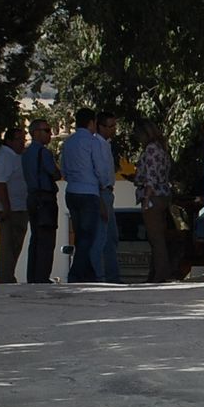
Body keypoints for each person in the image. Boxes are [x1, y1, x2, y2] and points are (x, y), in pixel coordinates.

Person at [60, 107, 111, 283]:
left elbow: (63, 170)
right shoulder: (92, 142)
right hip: (89, 192)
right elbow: (100, 168)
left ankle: (88, 273)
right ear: (92, 122)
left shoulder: (68, 143)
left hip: (72, 191)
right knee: (88, 235)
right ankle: (75, 273)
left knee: (80, 235)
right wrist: (104, 184)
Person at [133, 120, 177, 283]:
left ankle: (161, 274)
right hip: (163, 194)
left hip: (153, 196)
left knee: (156, 239)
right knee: (158, 237)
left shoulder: (151, 150)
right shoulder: (162, 149)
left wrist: (146, 199)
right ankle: (155, 273)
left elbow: (151, 176)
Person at [0, 126, 30, 284]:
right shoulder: (4, 157)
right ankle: (6, 279)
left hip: (19, 207)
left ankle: (9, 276)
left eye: (24, 140)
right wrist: (7, 208)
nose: (23, 143)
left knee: (15, 245)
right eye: (19, 140)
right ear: (9, 141)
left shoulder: (16, 156)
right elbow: (0, 184)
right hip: (8, 209)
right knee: (8, 246)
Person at [23, 118, 61, 283]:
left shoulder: (26, 154)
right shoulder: (43, 153)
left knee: (36, 238)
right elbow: (55, 173)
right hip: (45, 198)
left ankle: (33, 275)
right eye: (46, 130)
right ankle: (42, 276)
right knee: (46, 239)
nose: (50, 134)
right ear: (35, 133)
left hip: (32, 197)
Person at [94, 111, 122, 283]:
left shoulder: (106, 144)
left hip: (108, 192)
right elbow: (97, 172)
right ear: (101, 126)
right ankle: (102, 275)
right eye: (110, 126)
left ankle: (112, 275)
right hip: (101, 192)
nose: (113, 130)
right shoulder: (96, 144)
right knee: (103, 237)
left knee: (111, 237)